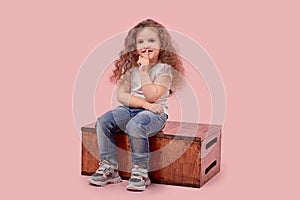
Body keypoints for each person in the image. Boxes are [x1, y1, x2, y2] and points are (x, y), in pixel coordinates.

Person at [88, 19, 184, 191]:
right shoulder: (131, 69)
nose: (146, 45)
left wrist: (145, 72)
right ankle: (109, 168)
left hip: (155, 114)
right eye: (141, 41)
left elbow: (152, 96)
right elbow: (121, 96)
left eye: (151, 40)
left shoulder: (164, 70)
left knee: (136, 125)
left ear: (162, 44)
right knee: (103, 122)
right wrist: (144, 105)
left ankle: (140, 172)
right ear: (134, 46)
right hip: (133, 109)